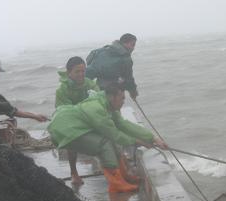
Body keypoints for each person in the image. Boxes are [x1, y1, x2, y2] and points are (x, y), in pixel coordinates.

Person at [47, 82, 167, 192]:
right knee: (104, 144)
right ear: (112, 97)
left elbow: (124, 125)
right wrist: (138, 142)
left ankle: (124, 176)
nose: (123, 101)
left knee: (111, 142)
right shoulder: (96, 108)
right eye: (122, 98)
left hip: (75, 126)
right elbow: (114, 134)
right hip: (64, 130)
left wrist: (153, 138)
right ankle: (117, 184)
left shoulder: (108, 105)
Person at [55, 56, 100, 186]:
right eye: (77, 71)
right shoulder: (62, 89)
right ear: (69, 73)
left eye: (83, 71)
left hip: (88, 114)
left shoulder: (89, 83)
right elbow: (64, 111)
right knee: (72, 140)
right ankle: (73, 172)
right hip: (68, 118)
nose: (81, 74)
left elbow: (99, 98)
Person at [86, 33, 139, 99]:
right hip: (112, 89)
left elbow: (89, 62)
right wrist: (133, 92)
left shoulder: (104, 49)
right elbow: (129, 78)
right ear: (124, 43)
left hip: (95, 84)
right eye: (132, 45)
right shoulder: (126, 58)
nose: (133, 48)